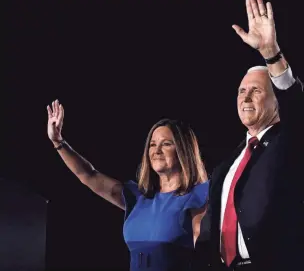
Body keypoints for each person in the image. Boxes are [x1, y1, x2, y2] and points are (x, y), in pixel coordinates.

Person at [194, 0, 304, 271]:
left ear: (276, 101)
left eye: (256, 90)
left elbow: (299, 109)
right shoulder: (227, 166)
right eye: (241, 92)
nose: (246, 98)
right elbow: (210, 233)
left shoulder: (295, 142)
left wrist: (272, 54)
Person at [46, 100, 209, 271]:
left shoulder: (200, 196)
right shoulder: (138, 197)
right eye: (152, 144)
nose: (156, 150)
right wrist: (58, 141)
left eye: (166, 144)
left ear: (184, 150)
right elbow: (88, 175)